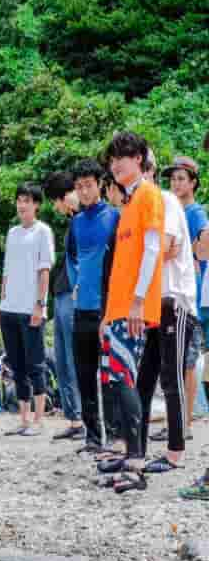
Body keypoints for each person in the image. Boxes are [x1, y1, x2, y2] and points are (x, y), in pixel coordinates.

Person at [96, 132, 164, 493]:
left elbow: (153, 251)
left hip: (134, 309)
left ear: (138, 158)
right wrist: (109, 314)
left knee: (127, 381)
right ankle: (128, 455)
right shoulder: (129, 203)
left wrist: (138, 302)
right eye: (112, 160)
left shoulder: (149, 195)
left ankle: (137, 463)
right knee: (118, 379)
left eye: (121, 157)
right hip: (118, 310)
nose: (115, 164)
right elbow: (122, 266)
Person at [133, 151, 195, 476]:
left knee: (171, 378)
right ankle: (137, 448)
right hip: (156, 303)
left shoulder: (166, 201)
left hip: (176, 301)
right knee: (145, 380)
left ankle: (176, 451)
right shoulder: (143, 207)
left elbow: (165, 247)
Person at [0, 183, 54, 438]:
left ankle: (39, 419)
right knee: (17, 365)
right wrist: (1, 303)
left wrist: (39, 305)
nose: (22, 205)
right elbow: (6, 272)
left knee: (36, 364)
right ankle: (23, 419)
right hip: (9, 308)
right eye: (19, 200)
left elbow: (44, 271)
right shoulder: (12, 233)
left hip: (31, 308)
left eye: (27, 200)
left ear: (36, 205)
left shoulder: (43, 232)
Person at [68, 159, 119, 453]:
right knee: (84, 374)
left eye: (88, 185)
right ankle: (92, 436)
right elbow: (72, 258)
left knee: (110, 376)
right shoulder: (75, 222)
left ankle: (114, 435)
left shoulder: (114, 217)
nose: (84, 191)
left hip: (107, 310)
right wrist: (77, 285)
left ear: (99, 184)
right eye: (79, 187)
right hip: (81, 310)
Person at [164, 155, 208, 430]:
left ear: (193, 183)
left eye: (181, 178)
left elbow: (205, 240)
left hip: (190, 294)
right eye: (173, 179)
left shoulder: (194, 212)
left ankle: (187, 422)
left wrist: (193, 253)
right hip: (175, 293)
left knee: (189, 360)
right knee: (178, 359)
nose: (176, 183)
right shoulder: (173, 210)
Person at [42, 172, 83, 440]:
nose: (57, 209)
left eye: (55, 202)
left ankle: (82, 417)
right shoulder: (73, 220)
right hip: (62, 293)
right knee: (63, 359)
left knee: (73, 358)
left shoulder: (84, 218)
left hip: (74, 294)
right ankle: (74, 418)